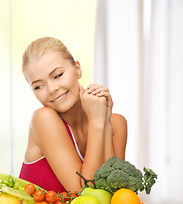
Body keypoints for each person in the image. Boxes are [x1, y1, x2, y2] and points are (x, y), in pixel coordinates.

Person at [19, 37, 127, 194]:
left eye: (58, 75)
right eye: (38, 86)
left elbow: (116, 195)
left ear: (77, 68)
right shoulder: (44, 119)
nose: (52, 89)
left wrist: (105, 124)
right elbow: (84, 194)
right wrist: (97, 122)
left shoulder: (116, 123)